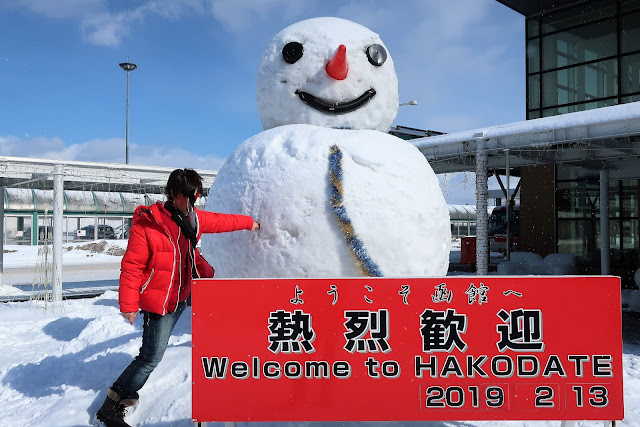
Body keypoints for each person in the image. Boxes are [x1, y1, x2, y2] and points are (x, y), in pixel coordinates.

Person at [95, 168, 259, 427]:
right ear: (174, 194)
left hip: (186, 292)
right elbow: (132, 265)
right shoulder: (149, 224)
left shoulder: (194, 218)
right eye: (191, 195)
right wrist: (128, 304)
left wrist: (250, 223)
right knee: (150, 357)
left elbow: (221, 221)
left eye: (197, 195)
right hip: (162, 303)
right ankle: (114, 403)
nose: (194, 201)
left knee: (223, 307)